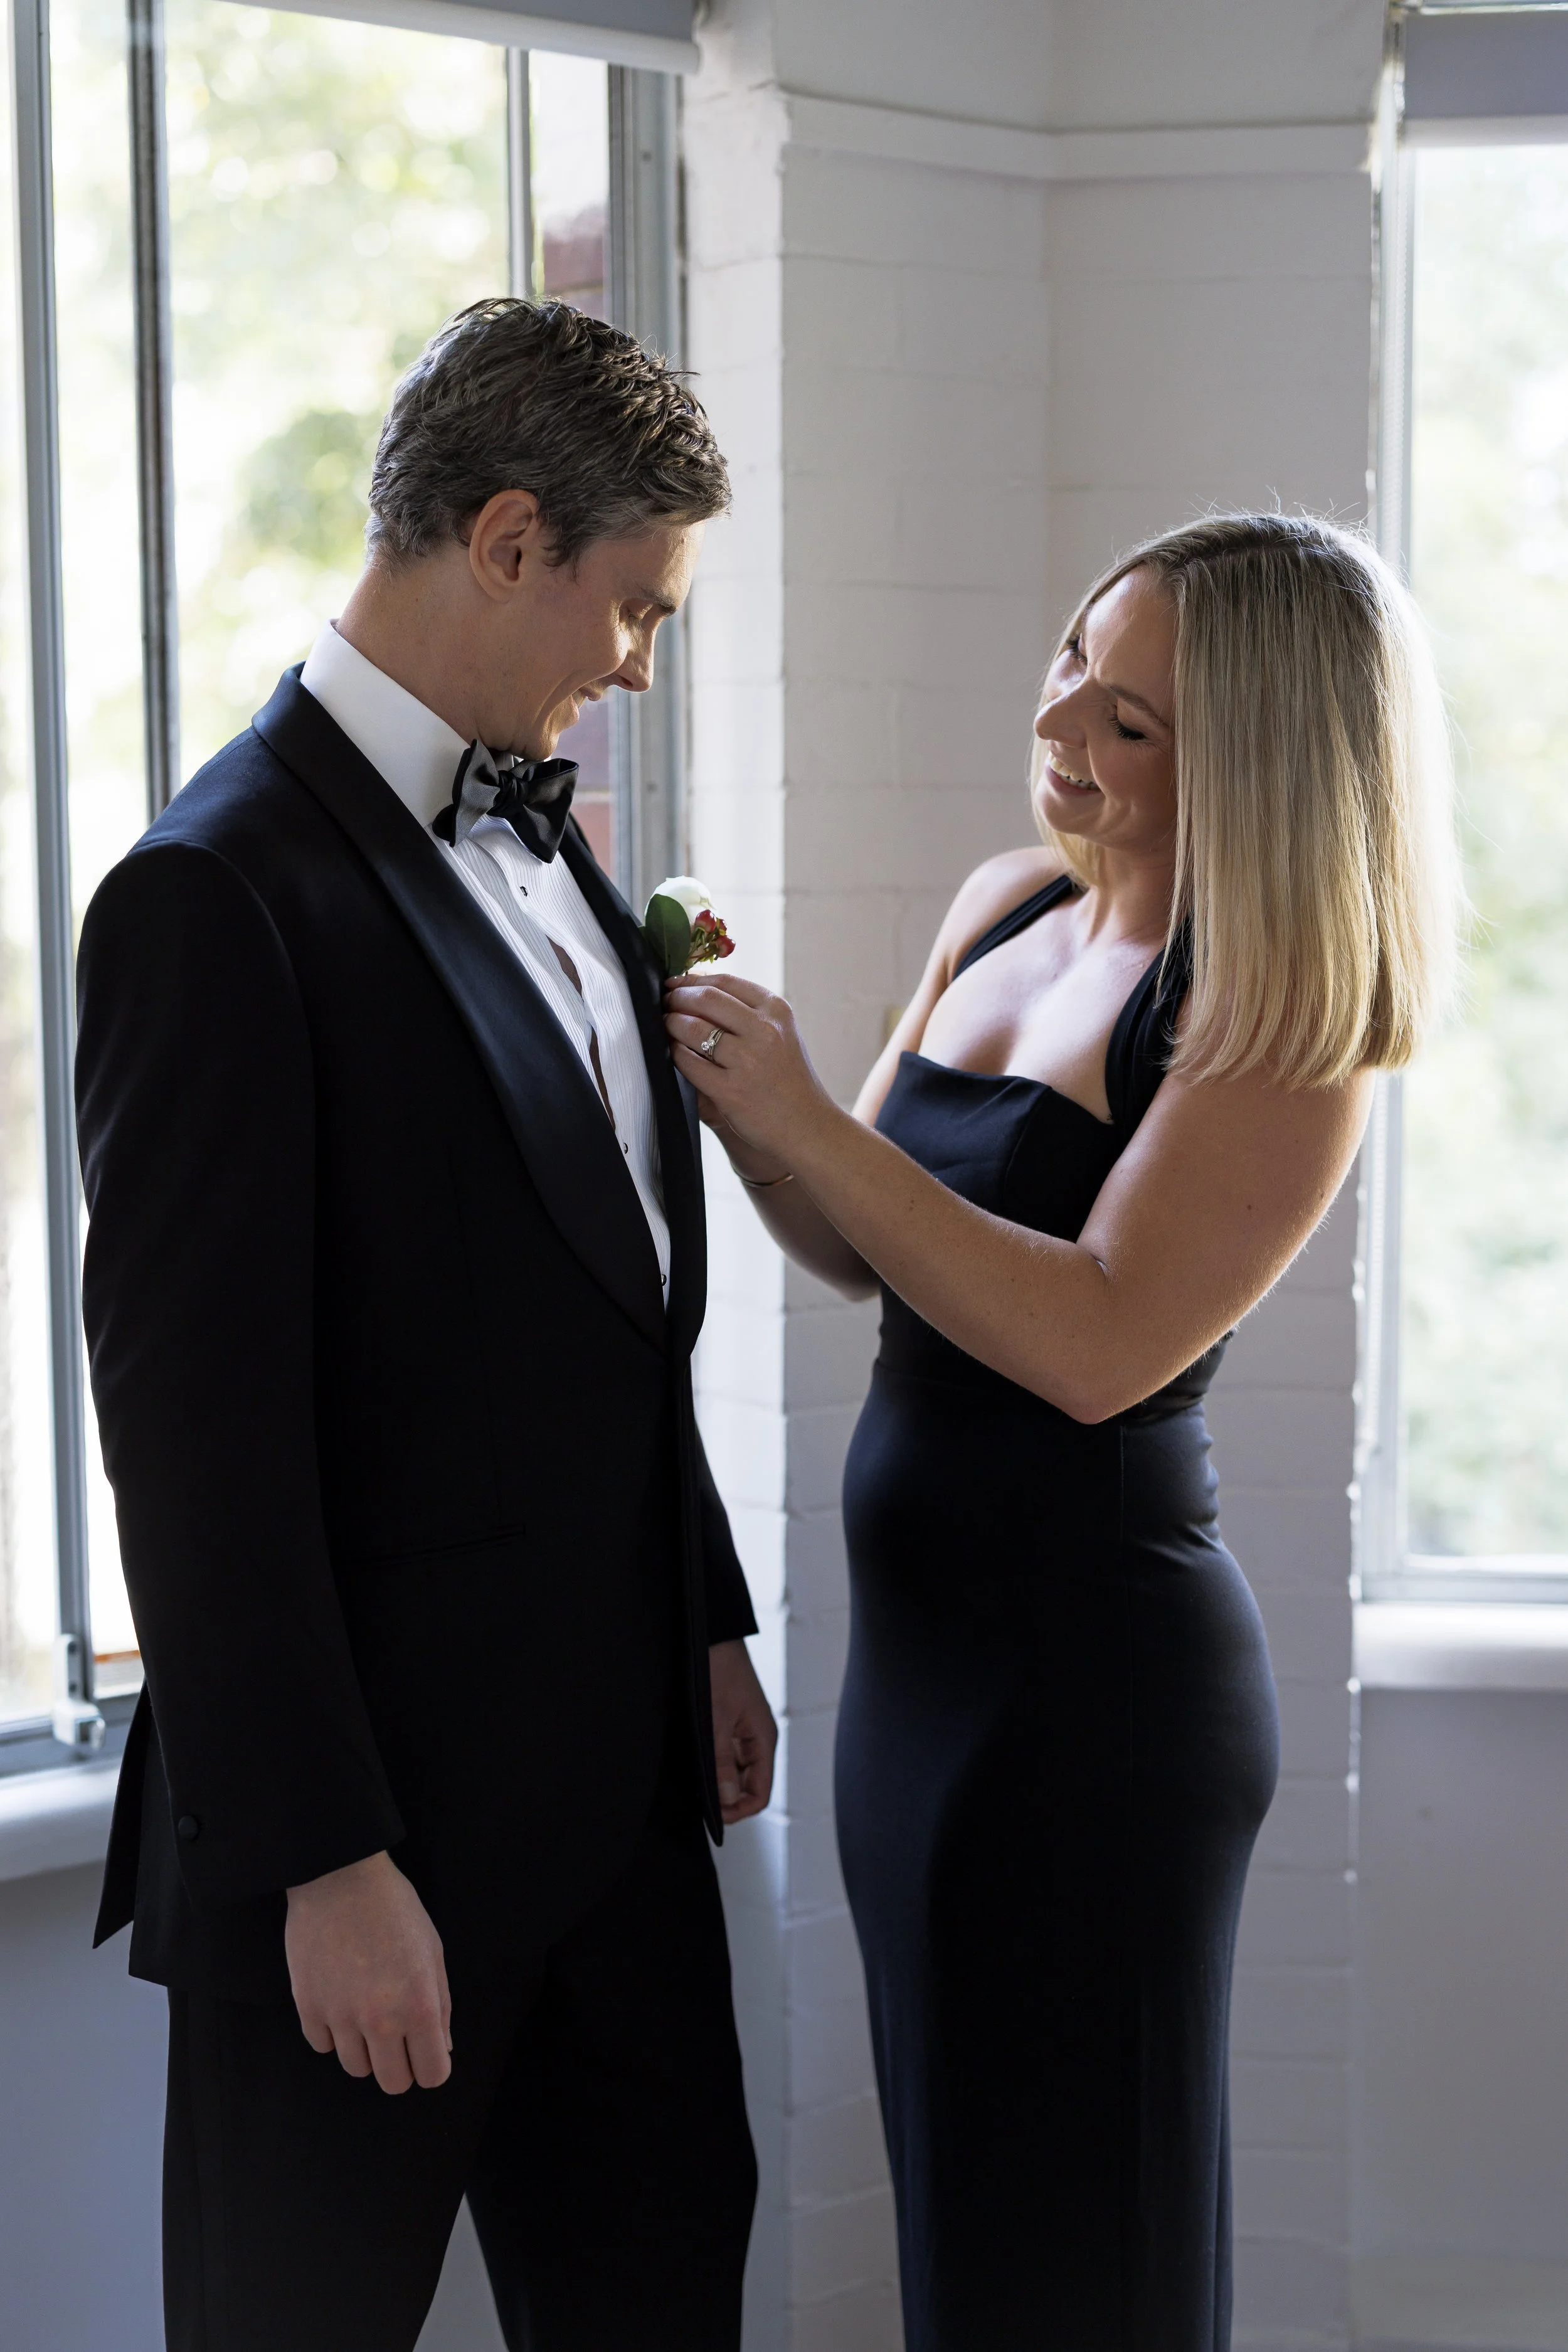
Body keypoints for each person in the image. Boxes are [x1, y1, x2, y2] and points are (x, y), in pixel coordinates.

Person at [664, 514, 1454, 2351]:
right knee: (970, 2229)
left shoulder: (1276, 1017)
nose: (1065, 736)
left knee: (1076, 2258)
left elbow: (1095, 1343)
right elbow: (858, 1243)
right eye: (1069, 671)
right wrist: (733, 1090)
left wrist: (813, 1116)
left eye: (1134, 724)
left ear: (1251, 757)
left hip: (1094, 1704)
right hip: (924, 1687)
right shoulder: (1000, 907)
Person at [77, 297, 774, 2352]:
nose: (633, 665)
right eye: (631, 606)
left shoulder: (545, 831)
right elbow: (193, 1434)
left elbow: (609, 1294)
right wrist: (327, 1859)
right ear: (500, 541)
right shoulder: (215, 894)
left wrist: (705, 1610)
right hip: (363, 1865)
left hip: (621, 1829)